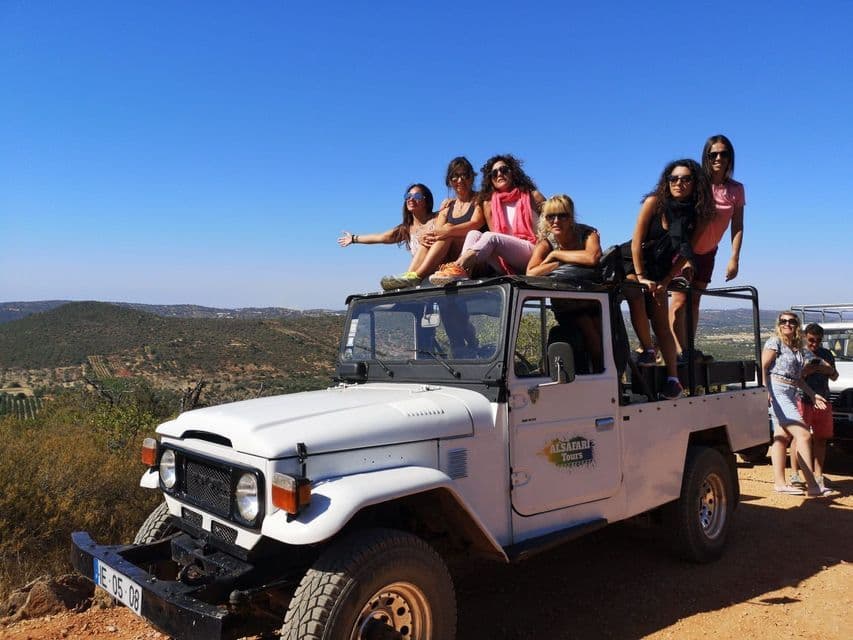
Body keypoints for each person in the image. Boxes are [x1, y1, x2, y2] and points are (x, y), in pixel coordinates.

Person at [620, 159, 713, 400]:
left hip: (661, 268)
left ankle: (673, 380)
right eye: (674, 179)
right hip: (632, 260)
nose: (679, 183)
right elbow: (635, 242)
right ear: (666, 181)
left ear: (695, 183)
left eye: (685, 179)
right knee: (634, 293)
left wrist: (667, 279)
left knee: (661, 320)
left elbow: (686, 251)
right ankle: (648, 350)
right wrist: (641, 277)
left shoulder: (698, 216)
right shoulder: (654, 203)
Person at [670, 135, 746, 361]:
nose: (718, 158)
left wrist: (734, 257)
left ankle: (688, 349)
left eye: (723, 153)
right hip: (685, 250)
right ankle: (675, 351)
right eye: (713, 154)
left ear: (730, 157)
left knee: (695, 302)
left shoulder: (736, 189)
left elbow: (738, 224)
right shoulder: (698, 185)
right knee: (679, 301)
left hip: (709, 252)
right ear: (706, 157)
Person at [430, 154, 545, 284]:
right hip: (505, 259)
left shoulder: (532, 196)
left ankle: (458, 266)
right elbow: (495, 233)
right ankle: (463, 272)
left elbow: (551, 227)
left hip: (531, 254)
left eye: (504, 170)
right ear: (490, 178)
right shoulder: (489, 203)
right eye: (494, 173)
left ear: (513, 172)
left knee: (491, 237)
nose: (499, 174)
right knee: (474, 234)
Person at [379, 157, 485, 290]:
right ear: (449, 181)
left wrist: (448, 231)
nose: (460, 180)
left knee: (447, 230)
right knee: (432, 237)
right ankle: (409, 275)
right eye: (455, 177)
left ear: (472, 178)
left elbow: (476, 223)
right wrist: (427, 236)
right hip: (448, 260)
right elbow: (438, 232)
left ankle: (417, 276)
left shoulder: (479, 199)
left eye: (465, 175)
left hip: (471, 258)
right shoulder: (447, 207)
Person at [527, 194, 603, 372]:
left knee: (606, 342)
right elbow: (531, 272)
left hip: (594, 300)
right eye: (550, 216)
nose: (556, 221)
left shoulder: (587, 234)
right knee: (591, 337)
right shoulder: (547, 243)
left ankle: (607, 383)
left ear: (571, 217)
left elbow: (592, 257)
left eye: (562, 215)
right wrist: (557, 263)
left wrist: (557, 255)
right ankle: (598, 380)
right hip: (567, 305)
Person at [762, 312, 829, 496]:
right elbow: (764, 366)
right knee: (804, 435)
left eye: (791, 321)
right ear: (779, 324)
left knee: (781, 436)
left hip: (791, 391)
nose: (787, 324)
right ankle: (813, 485)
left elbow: (798, 379)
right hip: (778, 389)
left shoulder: (796, 347)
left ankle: (780, 483)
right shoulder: (774, 342)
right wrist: (765, 389)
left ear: (797, 325)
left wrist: (813, 395)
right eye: (783, 321)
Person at [338, 183, 436, 289]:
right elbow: (382, 237)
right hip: (420, 281)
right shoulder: (406, 229)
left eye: (417, 196)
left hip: (440, 275)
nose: (411, 199)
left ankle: (407, 278)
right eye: (408, 196)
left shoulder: (437, 219)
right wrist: (353, 239)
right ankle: (407, 278)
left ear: (427, 201)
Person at [790, 323, 839, 492]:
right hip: (802, 400)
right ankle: (795, 474)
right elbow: (793, 377)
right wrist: (807, 370)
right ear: (805, 337)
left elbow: (835, 377)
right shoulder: (798, 353)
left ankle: (818, 476)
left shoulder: (826, 354)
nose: (814, 344)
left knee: (821, 439)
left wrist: (827, 368)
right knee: (799, 437)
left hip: (823, 401)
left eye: (818, 341)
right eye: (811, 340)